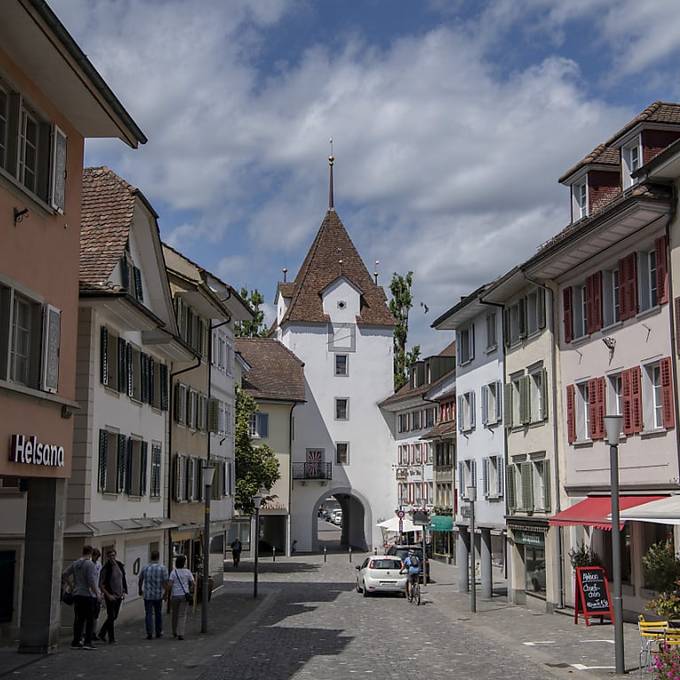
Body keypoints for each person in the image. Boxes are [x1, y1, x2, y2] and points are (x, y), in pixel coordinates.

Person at [62, 545, 100, 650]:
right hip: (88, 595)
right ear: (91, 552)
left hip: (77, 594)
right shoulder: (90, 564)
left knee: (79, 619)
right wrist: (97, 593)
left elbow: (64, 574)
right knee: (90, 619)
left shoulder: (76, 563)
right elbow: (91, 581)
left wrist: (71, 585)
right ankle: (88, 642)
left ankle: (76, 641)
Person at [97, 550, 127, 644]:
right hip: (111, 595)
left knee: (115, 616)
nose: (112, 557)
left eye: (113, 555)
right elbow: (101, 584)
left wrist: (124, 590)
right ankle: (111, 638)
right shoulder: (106, 568)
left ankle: (102, 633)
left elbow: (122, 578)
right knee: (111, 616)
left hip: (119, 595)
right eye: (110, 556)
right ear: (107, 557)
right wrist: (108, 595)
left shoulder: (119, 565)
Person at [138, 550, 168, 640]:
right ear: (158, 557)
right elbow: (166, 582)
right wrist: (166, 594)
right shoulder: (162, 568)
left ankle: (149, 633)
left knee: (148, 614)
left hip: (148, 595)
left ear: (151, 557)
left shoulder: (145, 567)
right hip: (158, 595)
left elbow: (140, 580)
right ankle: (158, 632)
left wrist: (140, 589)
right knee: (158, 614)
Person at [168, 555, 194, 640]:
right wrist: (189, 590)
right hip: (184, 595)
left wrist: (167, 593)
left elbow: (170, 585)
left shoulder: (173, 572)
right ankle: (181, 633)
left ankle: (174, 631)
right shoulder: (187, 572)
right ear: (184, 563)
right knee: (182, 615)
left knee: (174, 614)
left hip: (175, 595)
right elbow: (193, 583)